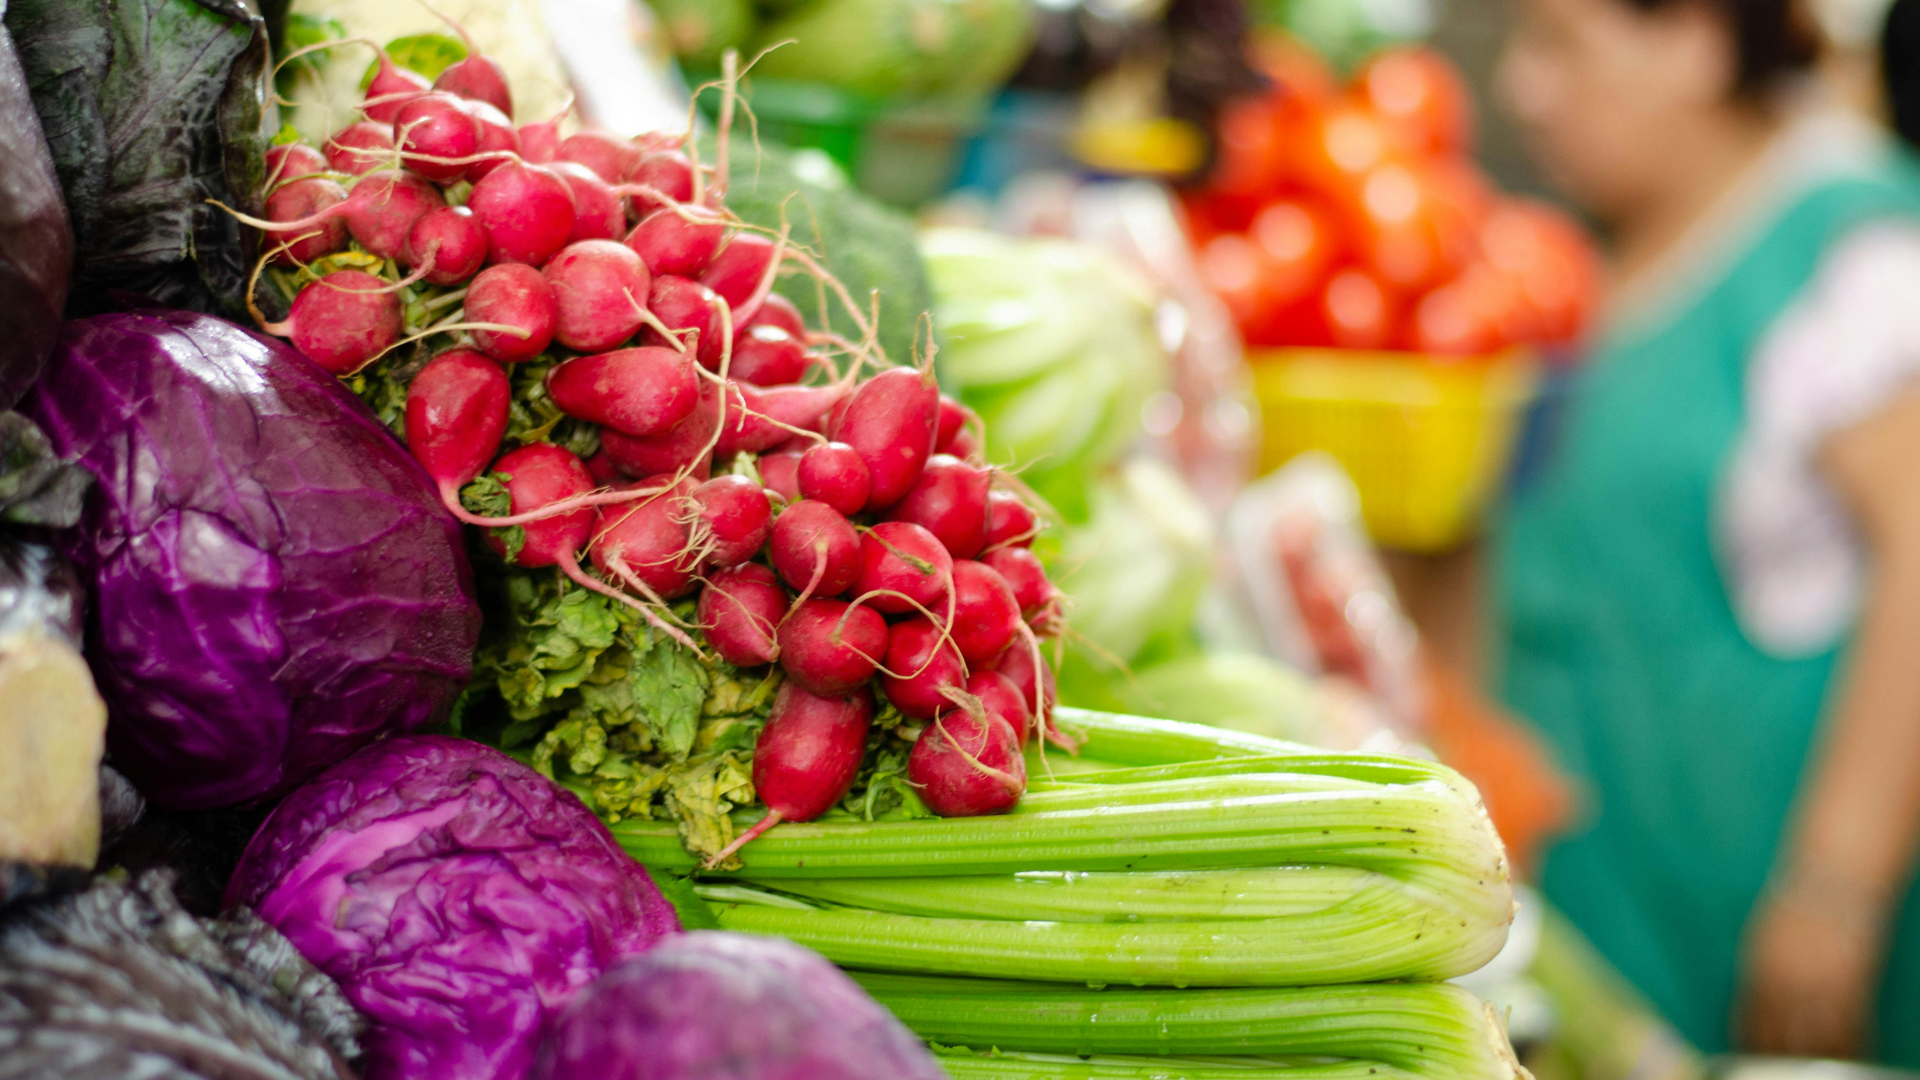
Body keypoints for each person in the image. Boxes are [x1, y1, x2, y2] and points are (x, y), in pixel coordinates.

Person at [1494, 0, 1920, 1061]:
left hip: (1769, 932)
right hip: (1621, 921)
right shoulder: (1612, 247)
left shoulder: (1847, 240)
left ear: (1697, 42)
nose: (1521, 87)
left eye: (1562, 45)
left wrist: (1837, 888)